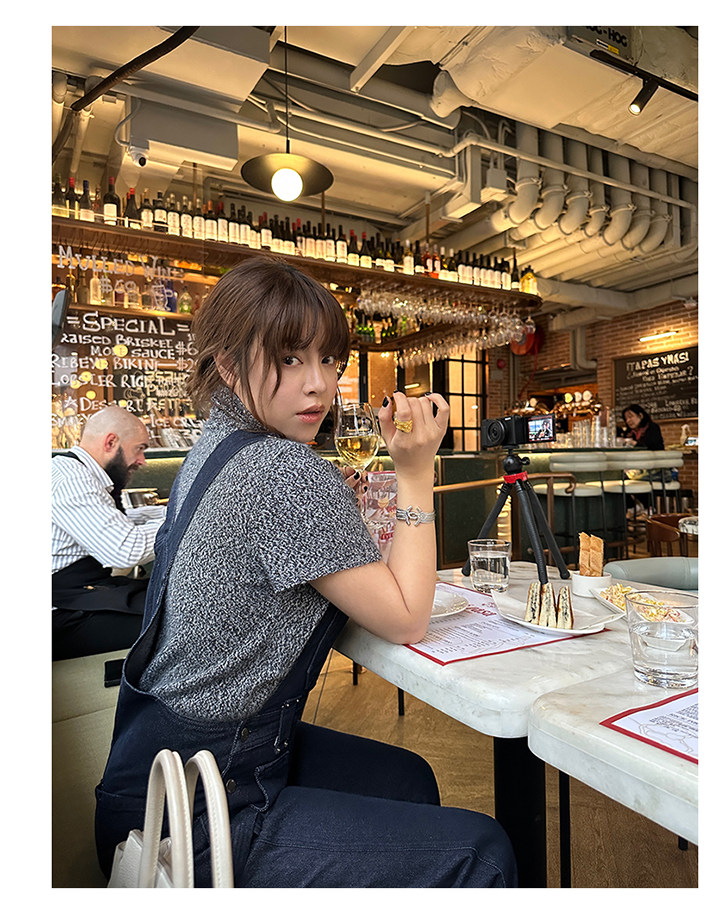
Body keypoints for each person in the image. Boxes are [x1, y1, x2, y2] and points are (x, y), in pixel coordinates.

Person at [95, 256, 517, 888]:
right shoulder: (283, 470)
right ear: (229, 364)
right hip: (196, 818)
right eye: (290, 359)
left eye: (329, 361)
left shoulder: (215, 446)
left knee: (406, 779)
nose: (319, 385)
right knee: (482, 852)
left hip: (146, 774)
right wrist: (414, 470)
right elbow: (407, 617)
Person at [51, 405, 164, 661]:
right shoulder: (72, 480)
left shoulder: (76, 471)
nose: (142, 461)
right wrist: (187, 522)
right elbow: (125, 550)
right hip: (60, 613)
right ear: (111, 442)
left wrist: (170, 513)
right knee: (174, 623)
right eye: (140, 449)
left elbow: (112, 522)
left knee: (168, 597)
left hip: (80, 593)